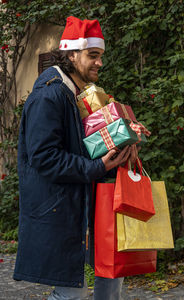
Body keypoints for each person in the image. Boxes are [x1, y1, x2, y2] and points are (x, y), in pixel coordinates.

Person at [13, 16, 139, 300]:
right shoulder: (50, 95)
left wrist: (123, 140)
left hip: (91, 207)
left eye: (100, 56)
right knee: (71, 293)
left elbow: (88, 145)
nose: (99, 63)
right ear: (71, 54)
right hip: (62, 211)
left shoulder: (81, 94)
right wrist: (97, 166)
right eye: (92, 55)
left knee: (111, 280)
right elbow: (44, 158)